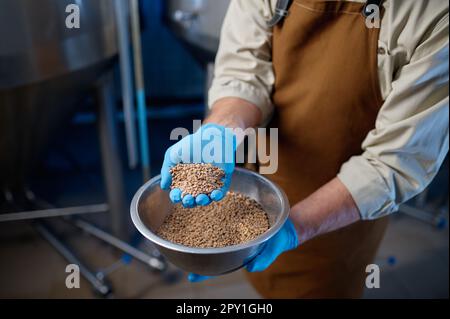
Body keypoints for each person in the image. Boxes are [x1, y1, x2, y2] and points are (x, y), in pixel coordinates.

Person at [160, 0, 449, 298]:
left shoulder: (435, 15)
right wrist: (220, 132)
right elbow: (244, 73)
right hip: (267, 177)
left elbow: (394, 161)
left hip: (342, 208)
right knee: (264, 281)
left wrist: (295, 228)